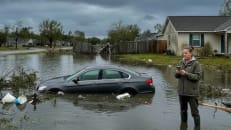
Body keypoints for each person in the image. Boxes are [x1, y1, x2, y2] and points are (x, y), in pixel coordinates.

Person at [175, 47, 201, 129]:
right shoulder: (181, 62)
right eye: (183, 53)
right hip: (182, 92)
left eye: (186, 53)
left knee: (195, 113)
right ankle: (183, 126)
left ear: (190, 53)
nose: (184, 54)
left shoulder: (196, 64)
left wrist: (186, 73)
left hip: (192, 93)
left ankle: (197, 127)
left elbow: (197, 77)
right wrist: (177, 73)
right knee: (183, 111)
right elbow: (176, 76)